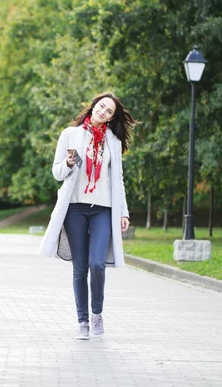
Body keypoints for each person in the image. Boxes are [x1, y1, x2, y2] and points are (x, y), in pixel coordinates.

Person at [39, 91, 136, 340]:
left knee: (97, 263)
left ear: (111, 117)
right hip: (75, 208)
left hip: (102, 209)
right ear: (93, 106)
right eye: (101, 106)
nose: (103, 112)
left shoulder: (113, 141)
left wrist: (123, 211)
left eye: (109, 111)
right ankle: (82, 321)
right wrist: (69, 164)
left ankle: (97, 314)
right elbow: (57, 173)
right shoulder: (70, 135)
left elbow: (118, 180)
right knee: (80, 267)